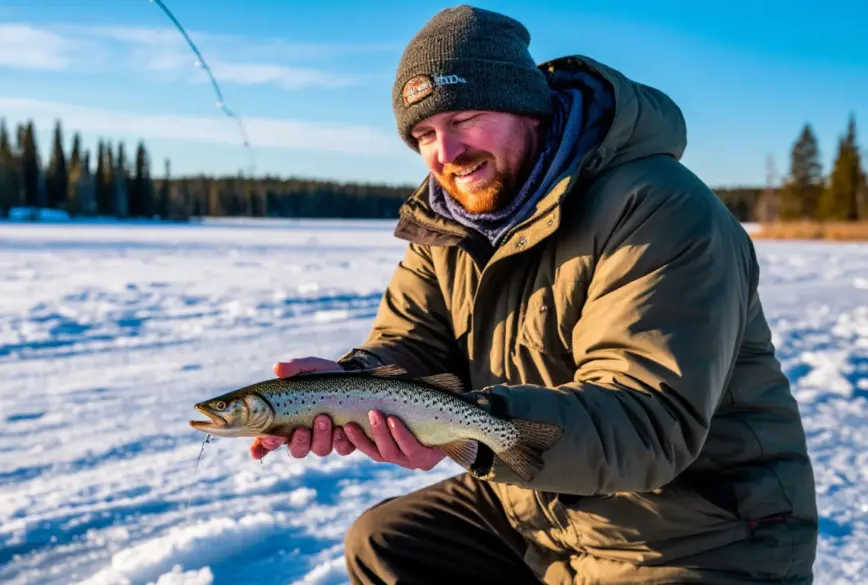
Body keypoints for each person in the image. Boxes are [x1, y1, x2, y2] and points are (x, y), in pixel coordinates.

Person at [251, 5, 819, 584]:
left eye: (465, 118)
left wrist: (475, 425)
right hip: (539, 511)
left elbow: (646, 423)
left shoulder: (657, 208)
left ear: (529, 107)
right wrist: (350, 388)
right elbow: (413, 342)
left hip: (694, 533)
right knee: (387, 544)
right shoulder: (449, 222)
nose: (446, 155)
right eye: (424, 135)